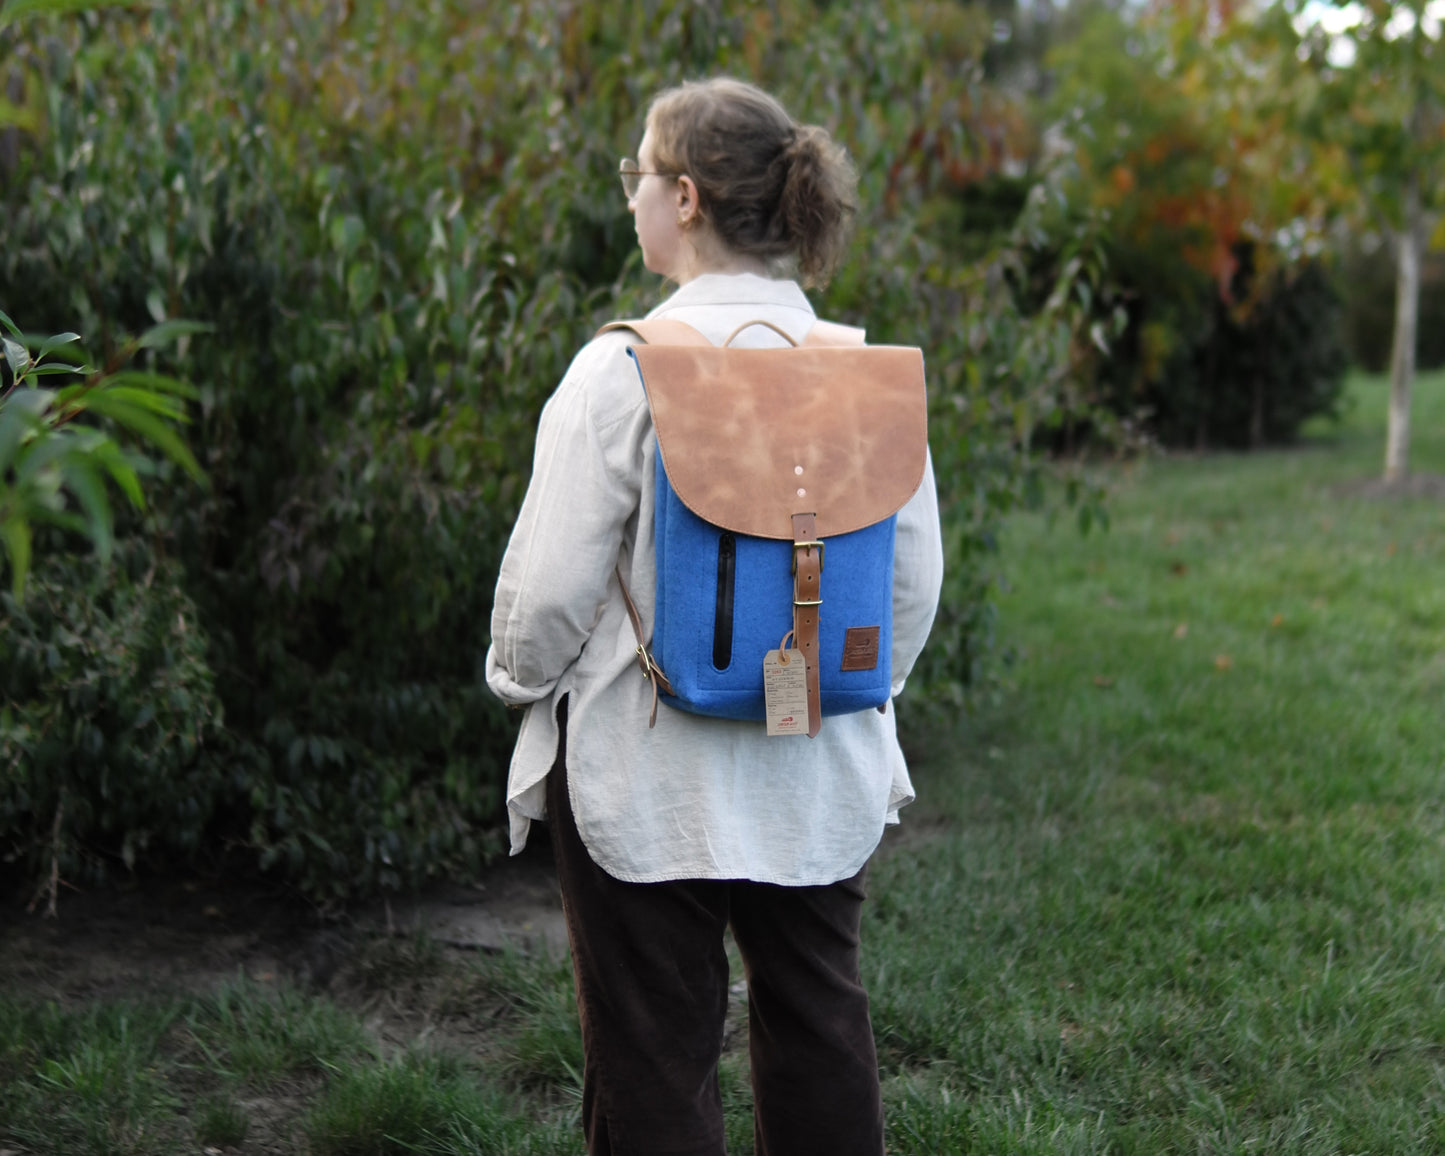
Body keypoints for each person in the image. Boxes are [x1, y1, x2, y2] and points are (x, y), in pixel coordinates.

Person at [486, 77, 944, 1156]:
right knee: (818, 1018)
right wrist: (841, 686)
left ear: (684, 197)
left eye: (636, 174)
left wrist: (516, 682)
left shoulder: (620, 369)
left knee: (652, 1045)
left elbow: (546, 591)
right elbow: (910, 582)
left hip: (643, 766)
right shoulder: (860, 374)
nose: (630, 195)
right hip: (816, 757)